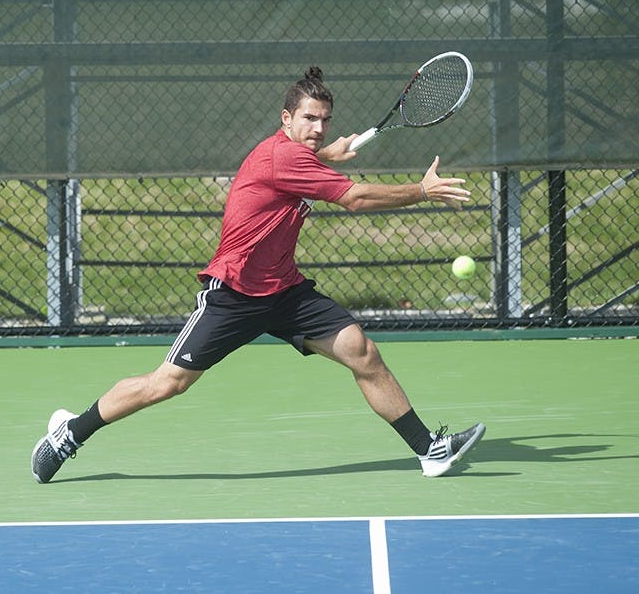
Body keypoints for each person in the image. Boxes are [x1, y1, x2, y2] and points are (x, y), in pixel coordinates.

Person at [31, 66, 486, 483]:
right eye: (309, 118)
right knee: (167, 384)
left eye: (325, 120)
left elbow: (304, 170)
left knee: (361, 351)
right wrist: (421, 191)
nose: (319, 128)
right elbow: (356, 199)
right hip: (235, 292)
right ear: (286, 118)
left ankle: (429, 450)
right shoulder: (283, 158)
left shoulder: (298, 156)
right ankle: (71, 433)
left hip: (284, 290)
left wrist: (326, 154)